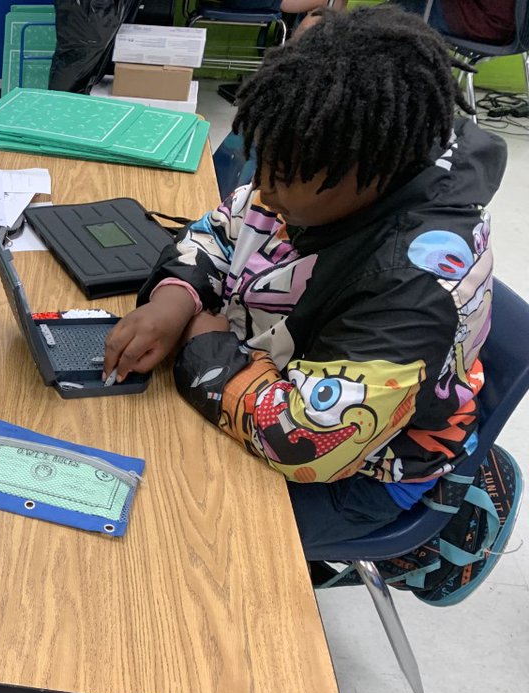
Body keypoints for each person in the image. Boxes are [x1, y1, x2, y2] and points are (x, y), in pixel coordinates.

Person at [102, 5, 506, 547]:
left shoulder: (413, 290)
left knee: (166, 528)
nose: (264, 191)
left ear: (368, 170)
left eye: (284, 176)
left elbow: (308, 444)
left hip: (361, 475)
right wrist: (175, 299)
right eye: (264, 163)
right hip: (277, 375)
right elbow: (223, 228)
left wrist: (207, 352)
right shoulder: (328, 159)